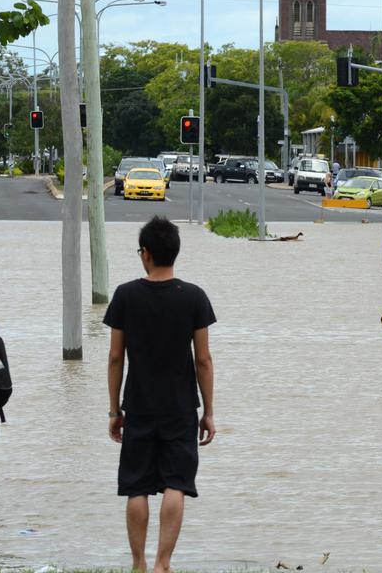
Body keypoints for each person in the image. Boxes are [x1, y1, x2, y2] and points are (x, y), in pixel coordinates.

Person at [105, 216, 216, 573]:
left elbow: (114, 357)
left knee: (136, 486)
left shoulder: (125, 295)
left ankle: (137, 564)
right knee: (176, 483)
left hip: (137, 404)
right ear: (175, 253)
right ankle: (162, 564)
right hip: (181, 407)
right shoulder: (194, 297)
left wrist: (113, 410)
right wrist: (209, 411)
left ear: (146, 254)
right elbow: (203, 359)